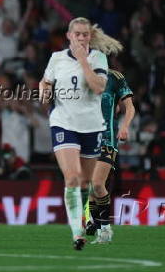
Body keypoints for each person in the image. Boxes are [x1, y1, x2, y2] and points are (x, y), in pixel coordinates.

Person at [39, 17, 123, 250]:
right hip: (63, 123)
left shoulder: (98, 58)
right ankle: (78, 232)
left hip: (92, 126)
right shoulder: (56, 58)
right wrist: (44, 92)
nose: (81, 38)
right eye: (77, 34)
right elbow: (45, 82)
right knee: (73, 177)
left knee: (86, 182)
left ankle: (91, 221)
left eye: (85, 34)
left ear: (89, 36)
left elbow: (98, 87)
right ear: (69, 36)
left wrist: (83, 61)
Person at [86, 69, 135, 243]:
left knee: (98, 183)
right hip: (86, 138)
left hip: (107, 138)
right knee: (91, 187)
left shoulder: (115, 77)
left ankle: (105, 229)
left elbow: (129, 107)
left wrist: (125, 126)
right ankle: (96, 224)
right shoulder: (80, 75)